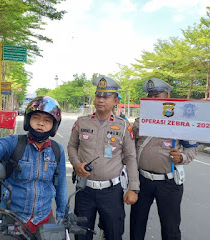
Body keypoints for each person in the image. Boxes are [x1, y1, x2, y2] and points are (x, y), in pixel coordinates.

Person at [0, 96, 67, 235]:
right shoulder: (14, 143)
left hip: (44, 219)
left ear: (54, 126)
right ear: (28, 121)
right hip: (11, 217)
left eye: (47, 120)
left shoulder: (57, 150)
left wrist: (63, 217)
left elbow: (61, 186)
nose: (41, 123)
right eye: (36, 118)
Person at [68, 76, 140, 240]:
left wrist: (133, 188)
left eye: (106, 97)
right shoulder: (82, 122)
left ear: (115, 100)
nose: (101, 100)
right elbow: (72, 146)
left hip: (111, 192)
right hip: (84, 189)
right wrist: (76, 164)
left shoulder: (123, 126)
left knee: (114, 233)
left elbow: (130, 157)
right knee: (81, 234)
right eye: (98, 95)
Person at [130, 78, 198, 240]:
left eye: (157, 96)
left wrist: (181, 157)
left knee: (170, 229)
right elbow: (130, 147)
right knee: (136, 225)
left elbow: (192, 149)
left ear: (167, 97)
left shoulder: (181, 122)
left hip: (169, 182)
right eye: (150, 96)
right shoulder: (141, 122)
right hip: (142, 180)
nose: (153, 99)